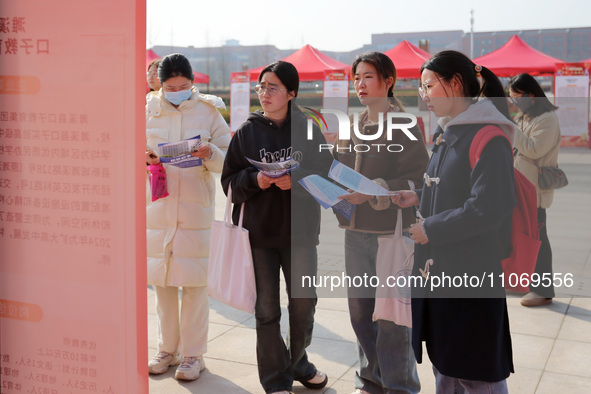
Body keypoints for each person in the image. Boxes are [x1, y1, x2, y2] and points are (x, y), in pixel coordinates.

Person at [391, 50, 516, 393]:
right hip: (441, 275)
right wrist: (419, 194)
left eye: (429, 85)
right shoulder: (450, 134)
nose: (424, 95)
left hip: (470, 277)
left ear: (455, 83)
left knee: (477, 374)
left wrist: (430, 228)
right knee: (447, 365)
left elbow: (490, 206)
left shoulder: (488, 137)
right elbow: (454, 187)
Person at [221, 60, 332, 394]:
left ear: (291, 93)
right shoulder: (246, 132)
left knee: (303, 304)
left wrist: (294, 180)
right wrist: (256, 179)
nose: (264, 93)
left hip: (300, 235)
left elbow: (326, 174)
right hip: (259, 236)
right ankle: (275, 379)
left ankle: (298, 362)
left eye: (273, 87)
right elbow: (229, 182)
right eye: (261, 87)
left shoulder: (310, 129)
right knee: (267, 311)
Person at [332, 51, 427, 394]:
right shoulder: (351, 126)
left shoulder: (407, 126)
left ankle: (400, 386)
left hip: (391, 234)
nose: (359, 84)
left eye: (367, 77)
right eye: (356, 77)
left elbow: (418, 180)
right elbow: (339, 170)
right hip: (354, 234)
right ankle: (369, 379)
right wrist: (331, 190)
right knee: (360, 314)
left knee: (391, 319)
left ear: (388, 82)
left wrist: (374, 193)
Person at [145, 53, 231, 381]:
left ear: (193, 83)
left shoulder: (208, 111)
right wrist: (146, 157)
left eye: (184, 86)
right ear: (160, 85)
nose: (177, 91)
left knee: (195, 283)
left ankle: (194, 355)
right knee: (162, 280)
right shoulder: (147, 110)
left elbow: (228, 160)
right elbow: (127, 150)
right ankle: (166, 349)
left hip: (195, 206)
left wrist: (211, 154)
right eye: (171, 87)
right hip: (158, 206)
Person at [507, 73, 561, 307]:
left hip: (536, 190)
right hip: (521, 185)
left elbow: (534, 149)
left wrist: (510, 127)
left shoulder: (547, 119)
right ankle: (528, 283)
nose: (514, 102)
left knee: (539, 238)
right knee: (523, 235)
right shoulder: (524, 116)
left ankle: (543, 290)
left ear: (531, 95)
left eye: (517, 97)